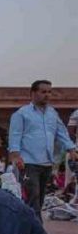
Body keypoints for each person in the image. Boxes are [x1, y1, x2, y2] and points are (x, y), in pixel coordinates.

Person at [8, 80, 77, 220]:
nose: (47, 95)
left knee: (39, 199)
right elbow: (15, 136)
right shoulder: (22, 114)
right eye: (43, 92)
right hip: (28, 163)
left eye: (49, 92)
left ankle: (29, 228)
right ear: (33, 93)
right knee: (33, 197)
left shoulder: (52, 114)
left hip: (46, 163)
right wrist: (16, 156)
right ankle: (36, 232)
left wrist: (71, 148)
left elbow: (61, 132)